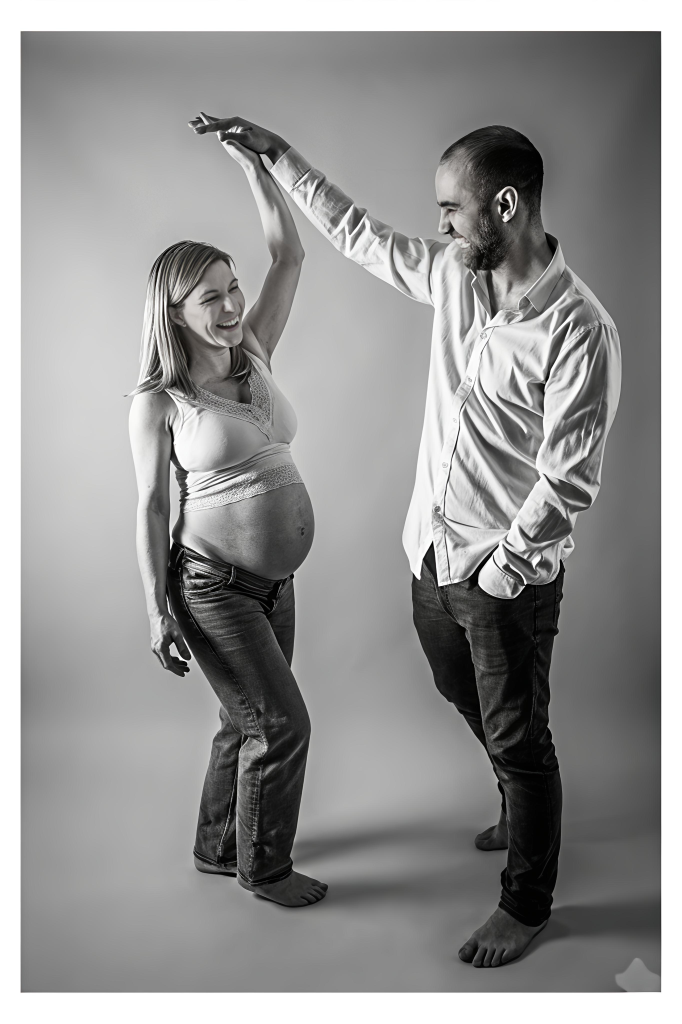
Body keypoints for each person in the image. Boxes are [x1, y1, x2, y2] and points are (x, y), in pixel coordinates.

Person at [191, 114, 621, 964]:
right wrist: (278, 157)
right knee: (467, 697)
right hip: (431, 556)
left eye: (452, 210)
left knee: (522, 741)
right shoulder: (457, 275)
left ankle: (526, 903)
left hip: (503, 577)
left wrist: (501, 572)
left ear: (506, 206)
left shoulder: (579, 328)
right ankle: (516, 797)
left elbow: (568, 480)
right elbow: (357, 233)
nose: (442, 227)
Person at [128, 114, 327, 908]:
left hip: (275, 587)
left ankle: (218, 847)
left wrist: (254, 164)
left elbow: (290, 255)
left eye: (232, 287)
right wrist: (156, 611)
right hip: (211, 588)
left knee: (241, 718)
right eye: (209, 297)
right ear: (174, 312)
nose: (231, 304)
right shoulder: (160, 401)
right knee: (280, 726)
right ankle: (263, 869)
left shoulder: (257, 354)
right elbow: (151, 506)